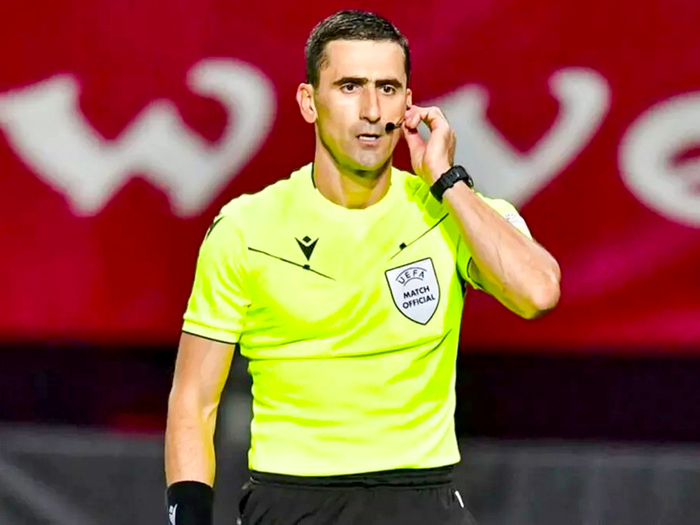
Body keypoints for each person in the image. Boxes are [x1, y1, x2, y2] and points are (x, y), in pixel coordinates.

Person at [164, 9, 561, 525]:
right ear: (309, 101)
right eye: (350, 86)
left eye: (388, 89)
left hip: (424, 501)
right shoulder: (246, 227)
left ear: (408, 104)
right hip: (291, 502)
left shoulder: (452, 211)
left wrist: (448, 179)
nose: (372, 110)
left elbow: (539, 293)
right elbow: (193, 401)